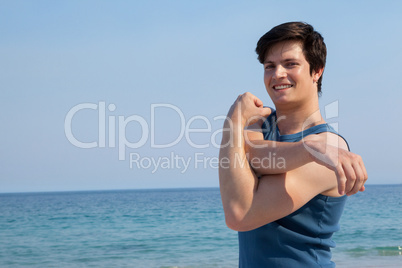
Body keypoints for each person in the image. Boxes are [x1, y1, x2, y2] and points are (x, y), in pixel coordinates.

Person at [219, 22, 368, 267]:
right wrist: (235, 121)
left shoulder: (330, 145)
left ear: (316, 71)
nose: (277, 74)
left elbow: (240, 215)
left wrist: (235, 125)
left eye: (290, 64)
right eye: (270, 66)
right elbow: (256, 156)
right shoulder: (259, 124)